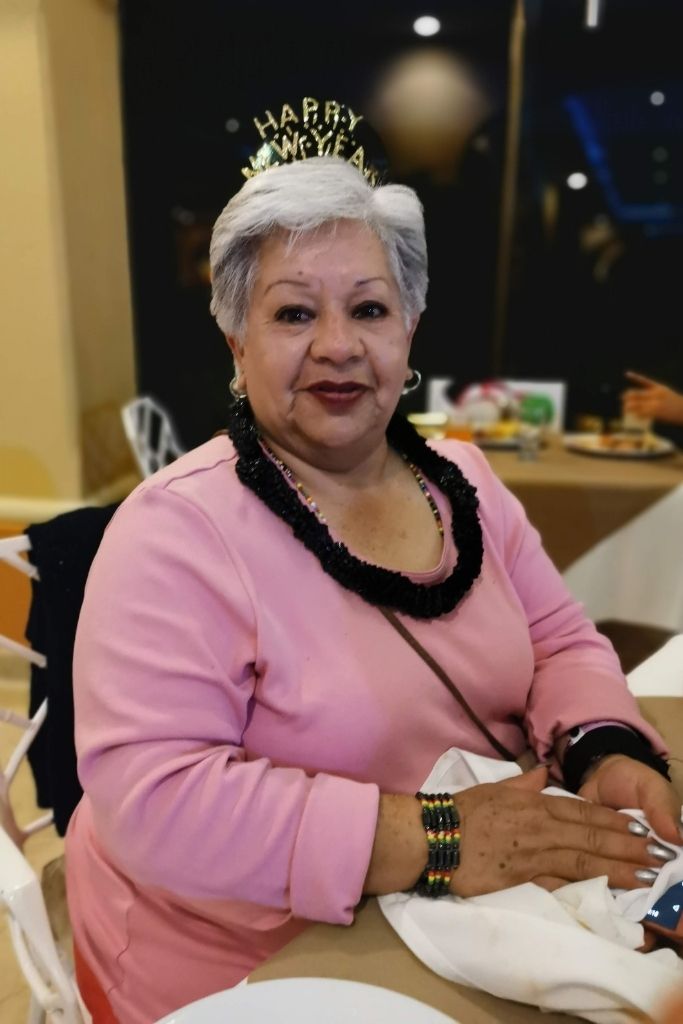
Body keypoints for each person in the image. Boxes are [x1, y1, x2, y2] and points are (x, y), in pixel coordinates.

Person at [66, 156, 680, 1024]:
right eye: (293, 313)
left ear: (409, 328)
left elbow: (557, 640)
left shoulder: (463, 481)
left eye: (368, 309)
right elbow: (156, 803)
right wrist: (437, 836)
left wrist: (602, 751)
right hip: (254, 953)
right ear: (236, 339)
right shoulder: (176, 531)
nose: (338, 345)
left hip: (480, 904)